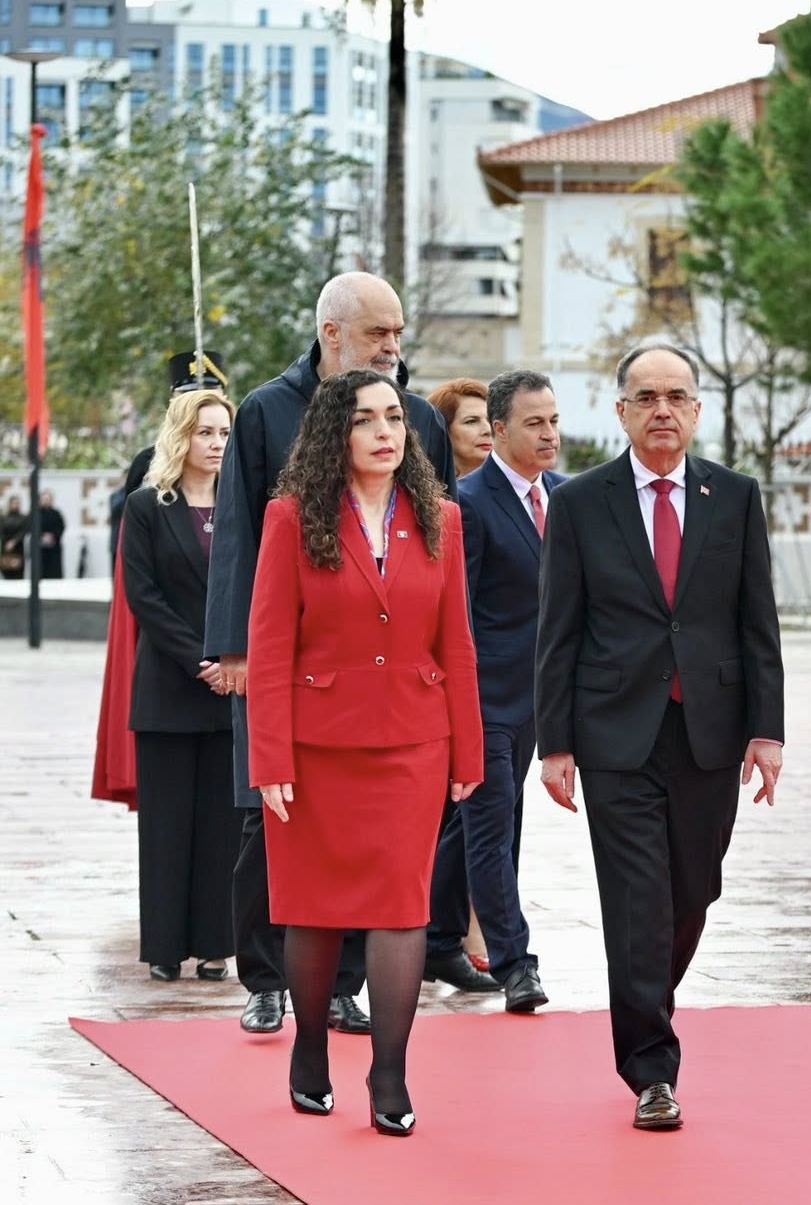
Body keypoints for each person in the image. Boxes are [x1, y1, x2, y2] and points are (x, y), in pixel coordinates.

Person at [533, 343, 784, 1131]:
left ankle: (648, 996)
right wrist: (556, 742)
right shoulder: (580, 503)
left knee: (690, 890)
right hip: (616, 735)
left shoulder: (733, 497)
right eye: (646, 397)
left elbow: (758, 622)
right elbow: (558, 629)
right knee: (638, 900)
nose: (663, 409)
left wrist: (767, 732)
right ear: (622, 412)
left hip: (710, 731)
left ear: (697, 408)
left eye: (677, 395)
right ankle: (651, 1067)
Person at [204, 271, 459, 1036]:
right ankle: (264, 976)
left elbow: (440, 539)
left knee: (368, 835)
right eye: (379, 333)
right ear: (332, 334)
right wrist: (236, 647)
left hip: (386, 672)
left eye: (399, 333)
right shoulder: (264, 411)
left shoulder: (416, 419)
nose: (393, 347)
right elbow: (241, 534)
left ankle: (343, 985)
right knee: (269, 820)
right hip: (289, 661)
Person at [247, 371, 484, 1135]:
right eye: (364, 420)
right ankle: (310, 1051)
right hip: (316, 748)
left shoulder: (442, 517)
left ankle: (389, 1072)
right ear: (333, 435)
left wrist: (467, 753)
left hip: (415, 743)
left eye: (394, 418)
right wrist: (270, 761)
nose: (386, 432)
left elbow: (458, 642)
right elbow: (270, 642)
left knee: (401, 909)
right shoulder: (291, 518)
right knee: (314, 910)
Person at [425, 370, 563, 1012]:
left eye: (554, 422)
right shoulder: (467, 503)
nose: (549, 435)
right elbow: (456, 612)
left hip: (546, 697)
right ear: (500, 430)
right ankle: (515, 963)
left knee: (473, 828)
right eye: (534, 424)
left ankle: (433, 937)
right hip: (484, 698)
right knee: (492, 829)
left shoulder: (565, 498)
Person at [122, 388, 237, 983]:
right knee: (166, 826)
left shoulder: (243, 506)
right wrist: (203, 660)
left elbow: (250, 588)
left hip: (230, 692)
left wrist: (233, 660)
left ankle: (217, 944)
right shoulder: (148, 506)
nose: (216, 444)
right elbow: (143, 596)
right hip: (170, 689)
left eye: (223, 433)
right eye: (205, 433)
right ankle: (165, 946)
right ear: (181, 436)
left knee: (221, 825)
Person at [429, 378, 494, 478]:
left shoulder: (521, 487)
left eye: (491, 420)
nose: (488, 430)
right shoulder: (420, 491)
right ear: (443, 430)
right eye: (471, 421)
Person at [36, 490, 66, 579]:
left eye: (48, 499)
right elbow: (32, 528)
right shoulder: (36, 514)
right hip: (40, 548)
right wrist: (42, 537)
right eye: (44, 499)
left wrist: (52, 536)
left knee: (54, 572)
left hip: (54, 548)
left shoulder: (56, 513)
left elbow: (61, 527)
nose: (46, 501)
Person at [0, 496, 25, 579]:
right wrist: (7, 543)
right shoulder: (3, 517)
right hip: (5, 547)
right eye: (14, 503)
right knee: (6, 570)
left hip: (18, 548)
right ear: (10, 504)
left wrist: (14, 541)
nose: (15, 505)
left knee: (18, 572)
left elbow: (23, 531)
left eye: (17, 503)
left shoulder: (23, 517)